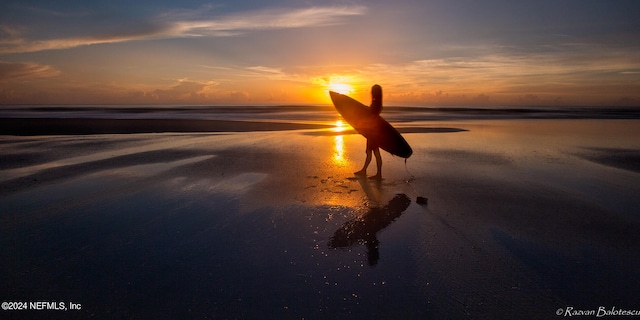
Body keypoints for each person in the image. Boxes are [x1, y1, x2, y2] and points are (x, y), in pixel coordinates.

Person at [354, 84, 383, 179]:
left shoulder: (375, 104)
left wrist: (362, 128)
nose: (371, 92)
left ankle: (377, 174)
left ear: (375, 92)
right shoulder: (377, 103)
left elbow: (372, 118)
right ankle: (365, 170)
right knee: (370, 152)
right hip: (374, 131)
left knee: (374, 152)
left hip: (373, 132)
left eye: (372, 91)